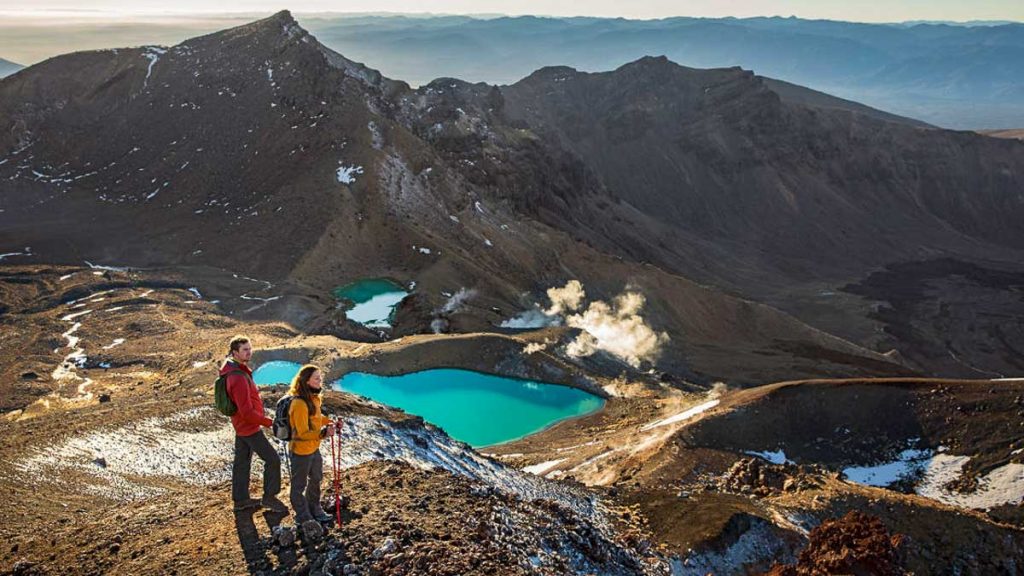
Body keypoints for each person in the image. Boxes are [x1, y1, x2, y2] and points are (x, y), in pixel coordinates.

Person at [222, 335, 288, 513]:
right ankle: (269, 498)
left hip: (241, 426)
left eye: (250, 348)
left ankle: (240, 500)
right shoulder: (238, 378)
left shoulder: (237, 370)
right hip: (248, 427)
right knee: (273, 460)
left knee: (242, 462)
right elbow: (247, 412)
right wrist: (269, 422)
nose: (249, 352)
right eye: (245, 350)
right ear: (235, 352)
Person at [287, 364, 334, 525]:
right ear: (307, 381)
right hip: (300, 451)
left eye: (320, 377)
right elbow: (302, 433)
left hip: (314, 448)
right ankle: (302, 515)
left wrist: (330, 422)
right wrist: (323, 433)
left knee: (316, 477)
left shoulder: (314, 398)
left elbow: (316, 418)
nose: (320, 380)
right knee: (299, 485)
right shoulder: (299, 404)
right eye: (316, 378)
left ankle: (314, 507)